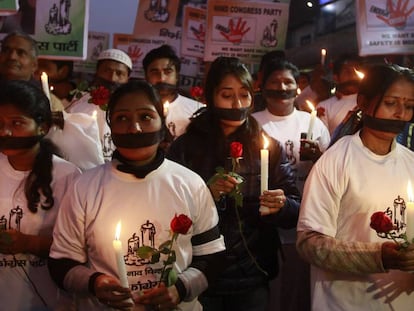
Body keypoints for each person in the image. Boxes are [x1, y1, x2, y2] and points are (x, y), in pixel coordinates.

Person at [48, 80, 226, 311]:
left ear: (162, 122)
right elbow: (62, 262)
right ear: (111, 126)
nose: (135, 128)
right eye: (122, 118)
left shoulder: (190, 184)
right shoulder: (84, 186)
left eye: (145, 117)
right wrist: (96, 283)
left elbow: (212, 256)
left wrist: (180, 289)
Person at [167, 56, 301, 311]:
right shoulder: (186, 147)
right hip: (199, 270)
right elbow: (168, 206)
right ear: (210, 96)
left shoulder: (268, 146)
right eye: (227, 95)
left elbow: (295, 208)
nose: (237, 103)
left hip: (252, 270)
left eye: (244, 94)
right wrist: (207, 195)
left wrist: (281, 205)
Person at [296, 63, 414, 310]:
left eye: (409, 106)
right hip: (346, 302)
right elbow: (309, 243)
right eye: (391, 103)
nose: (401, 113)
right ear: (362, 102)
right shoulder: (335, 161)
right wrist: (377, 256)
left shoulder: (410, 162)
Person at [252, 59, 330, 311]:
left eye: (288, 82)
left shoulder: (313, 123)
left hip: (306, 210)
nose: (282, 87)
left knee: (299, 281)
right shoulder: (253, 123)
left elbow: (331, 169)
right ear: (263, 87)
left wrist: (318, 157)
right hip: (265, 215)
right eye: (275, 82)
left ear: (297, 87)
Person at [0, 80, 81, 310]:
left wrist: (29, 243)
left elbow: (80, 246)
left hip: (45, 300)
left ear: (42, 127)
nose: (5, 132)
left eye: (16, 123)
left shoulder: (67, 176)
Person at [0, 30, 104, 170]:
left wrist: (63, 121)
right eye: (6, 50)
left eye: (21, 53)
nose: (12, 57)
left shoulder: (50, 102)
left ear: (34, 65)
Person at [66, 48, 133, 161]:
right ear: (97, 72)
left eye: (119, 73)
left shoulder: (132, 105)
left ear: (127, 78)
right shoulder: (80, 100)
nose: (112, 78)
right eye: (107, 70)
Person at [143, 44, 204, 140]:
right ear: (146, 77)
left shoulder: (197, 111)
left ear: (177, 76)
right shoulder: (137, 110)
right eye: (155, 72)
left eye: (168, 72)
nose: (161, 79)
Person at [316, 53, 363, 136]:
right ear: (336, 77)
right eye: (347, 71)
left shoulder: (370, 100)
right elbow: (323, 141)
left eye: (356, 69)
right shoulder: (324, 107)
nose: (352, 75)